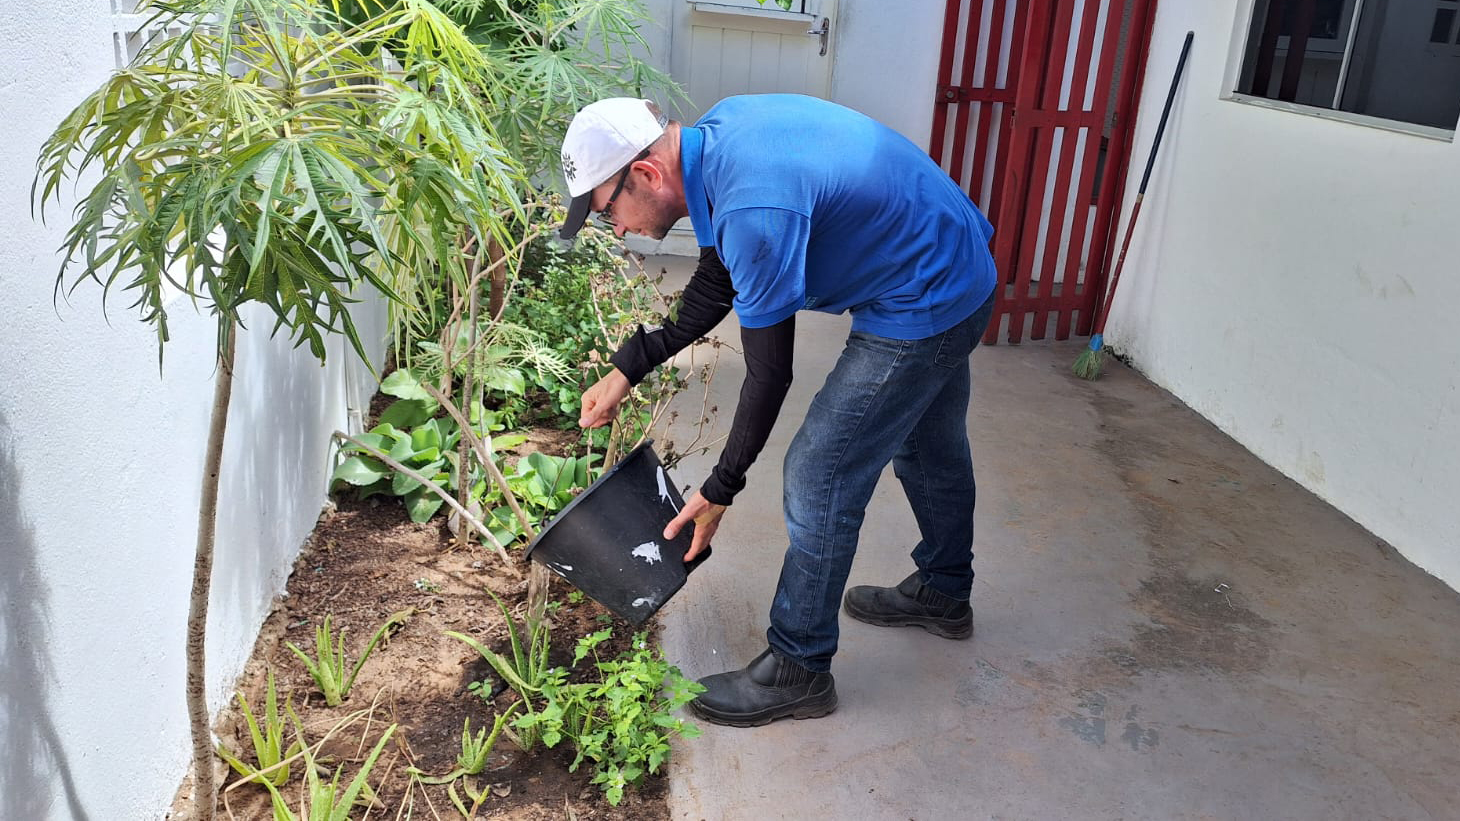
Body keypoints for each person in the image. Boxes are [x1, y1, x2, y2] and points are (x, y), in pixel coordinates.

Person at [558, 94, 998, 728]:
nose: (617, 228)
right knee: (927, 441)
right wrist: (631, 365)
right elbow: (719, 278)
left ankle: (799, 666)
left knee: (820, 473)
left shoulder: (753, 208)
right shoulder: (718, 140)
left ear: (647, 174)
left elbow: (769, 373)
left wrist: (719, 488)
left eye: (608, 212)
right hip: (949, 257)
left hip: (926, 292)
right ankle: (945, 590)